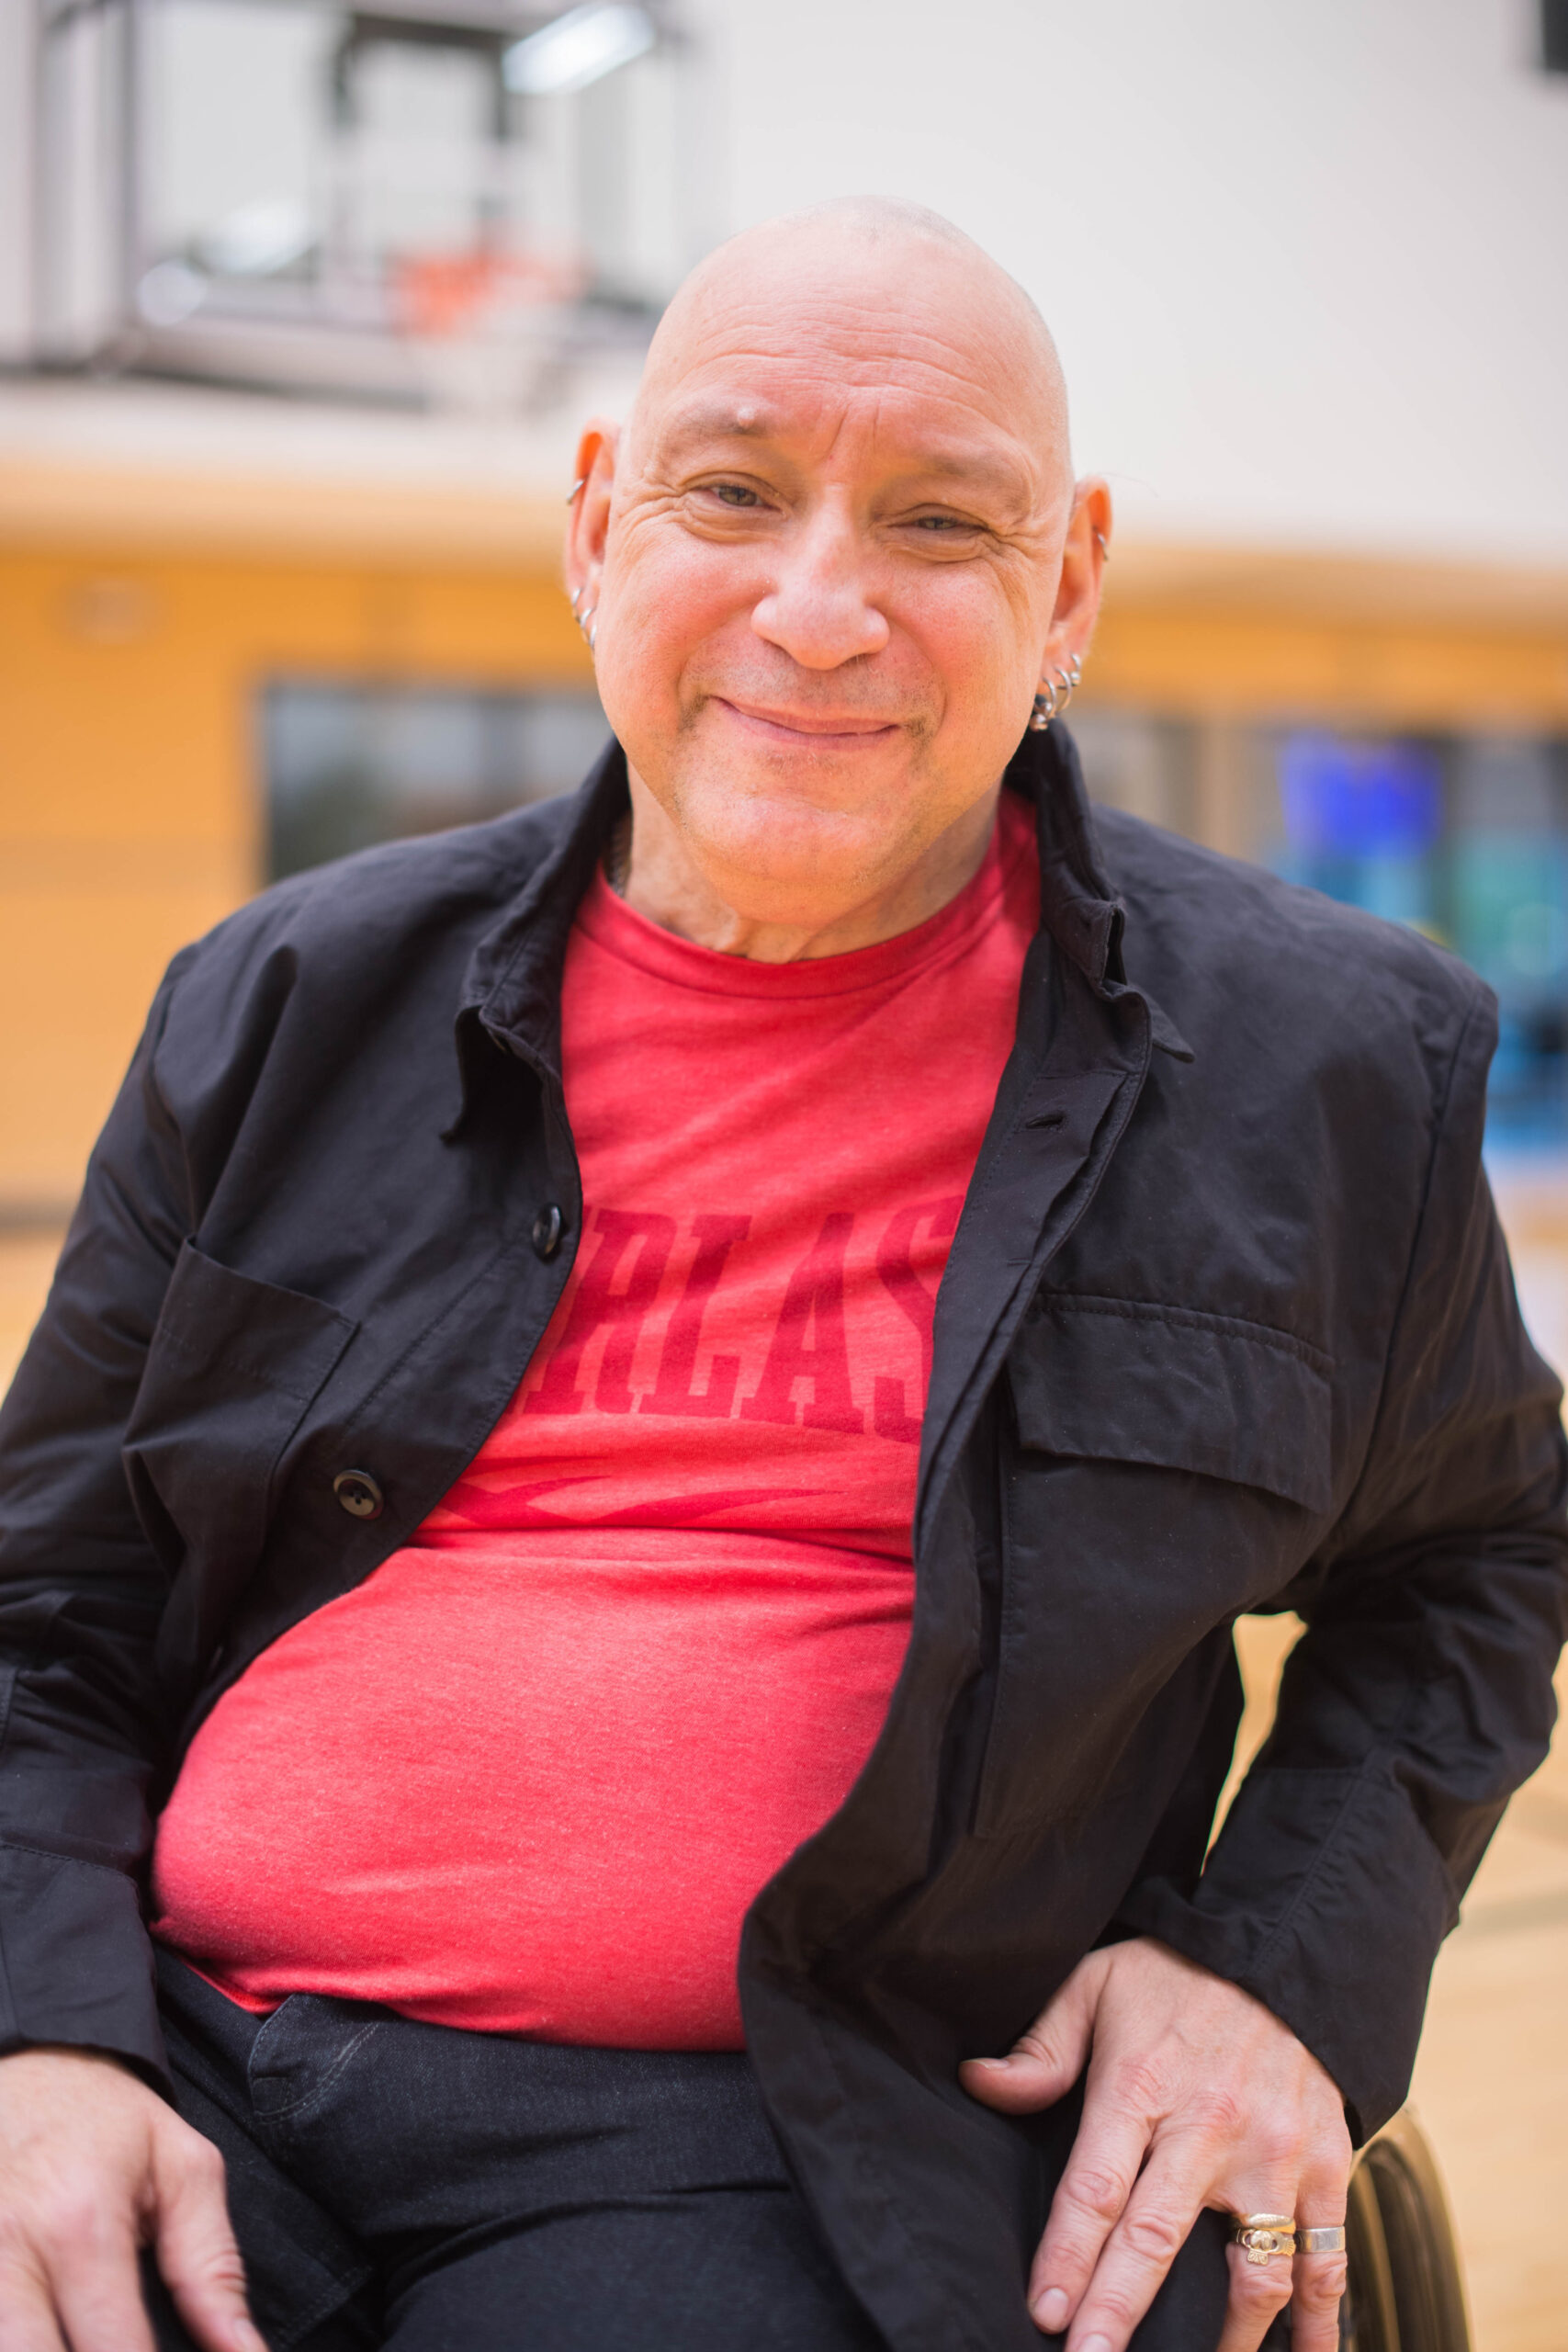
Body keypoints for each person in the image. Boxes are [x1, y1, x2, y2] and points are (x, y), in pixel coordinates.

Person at [0, 198, 1562, 2352]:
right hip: (167, 2056)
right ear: (591, 529)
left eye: (938, 521)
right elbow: (43, 1603)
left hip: (774, 2127)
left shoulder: (1320, 1066)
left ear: (1067, 585)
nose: (816, 609)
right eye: (729, 491)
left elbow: (1474, 1553)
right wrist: (37, 2033)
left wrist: (1272, 1967)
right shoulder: (282, 1001)